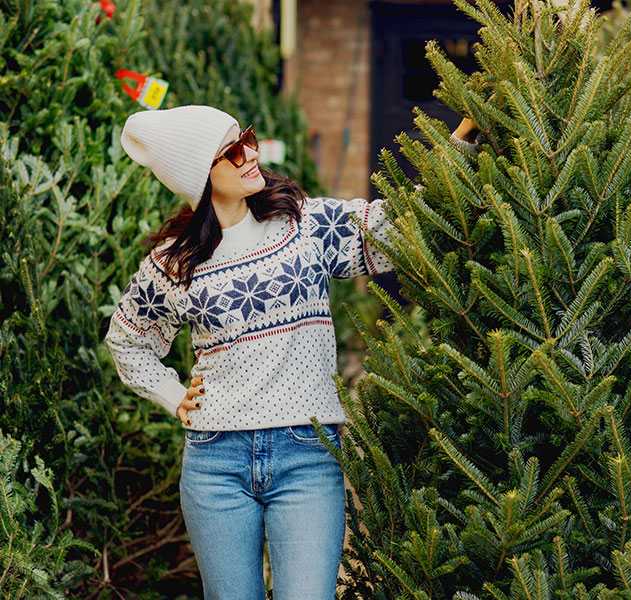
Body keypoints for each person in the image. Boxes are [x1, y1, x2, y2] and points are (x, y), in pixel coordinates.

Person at [105, 104, 482, 599]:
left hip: (307, 457)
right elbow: (127, 339)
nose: (251, 155)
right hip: (215, 464)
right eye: (233, 152)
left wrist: (464, 138)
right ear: (200, 177)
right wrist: (172, 395)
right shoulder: (176, 263)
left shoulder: (307, 225)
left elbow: (402, 224)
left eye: (248, 138)